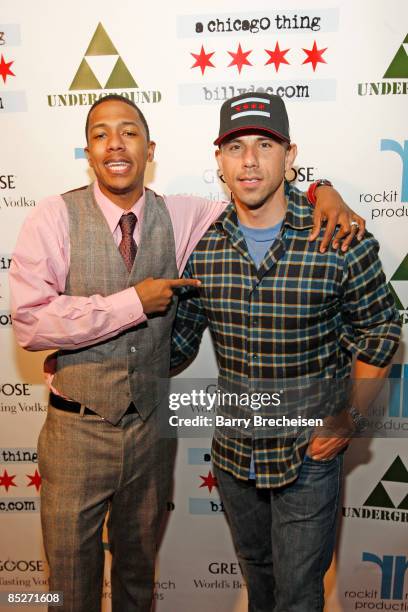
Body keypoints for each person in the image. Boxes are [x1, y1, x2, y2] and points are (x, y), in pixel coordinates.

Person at [10, 93, 364, 612]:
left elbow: (260, 192)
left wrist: (322, 189)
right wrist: (134, 302)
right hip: (75, 432)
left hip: (150, 433)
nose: (116, 144)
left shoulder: (185, 213)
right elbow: (29, 321)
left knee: (137, 575)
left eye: (129, 132)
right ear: (87, 150)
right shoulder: (52, 216)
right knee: (68, 584)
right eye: (101, 133)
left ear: (149, 148)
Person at [171, 93, 402, 612]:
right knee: (260, 584)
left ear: (290, 154)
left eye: (265, 144)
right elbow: (176, 343)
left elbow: (382, 328)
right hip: (233, 452)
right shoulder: (202, 244)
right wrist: (91, 346)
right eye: (235, 146)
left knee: (299, 597)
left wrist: (350, 416)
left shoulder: (338, 238)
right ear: (220, 161)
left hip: (307, 455)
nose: (249, 160)